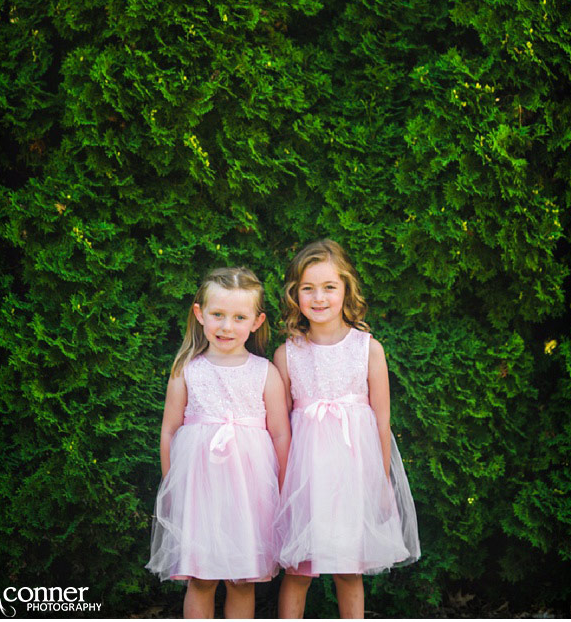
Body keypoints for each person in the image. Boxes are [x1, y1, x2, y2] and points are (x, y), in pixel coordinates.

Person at [274, 239, 420, 619]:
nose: (318, 298)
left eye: (328, 287)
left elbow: (382, 422)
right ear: (295, 294)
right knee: (298, 570)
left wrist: (382, 484)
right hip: (306, 479)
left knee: (348, 569)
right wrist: (283, 486)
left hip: (352, 477)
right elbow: (281, 428)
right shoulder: (287, 354)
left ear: (346, 290)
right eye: (308, 288)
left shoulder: (368, 350)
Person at [146, 267, 291, 619]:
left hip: (250, 495)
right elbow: (169, 430)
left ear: (256, 322)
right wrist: (172, 485)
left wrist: (285, 489)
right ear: (200, 314)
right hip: (200, 495)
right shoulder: (187, 370)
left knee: (242, 580)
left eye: (239, 317)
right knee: (202, 579)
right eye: (218, 315)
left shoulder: (265, 372)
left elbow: (281, 433)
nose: (227, 326)